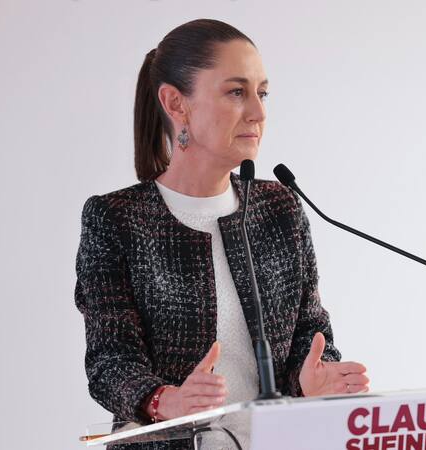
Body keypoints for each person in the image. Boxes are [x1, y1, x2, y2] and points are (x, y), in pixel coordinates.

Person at [73, 18, 370, 449]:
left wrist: (312, 380)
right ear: (176, 103)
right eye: (236, 92)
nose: (258, 113)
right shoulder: (117, 219)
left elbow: (311, 335)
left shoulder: (279, 208)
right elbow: (109, 361)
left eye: (262, 93)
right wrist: (165, 400)